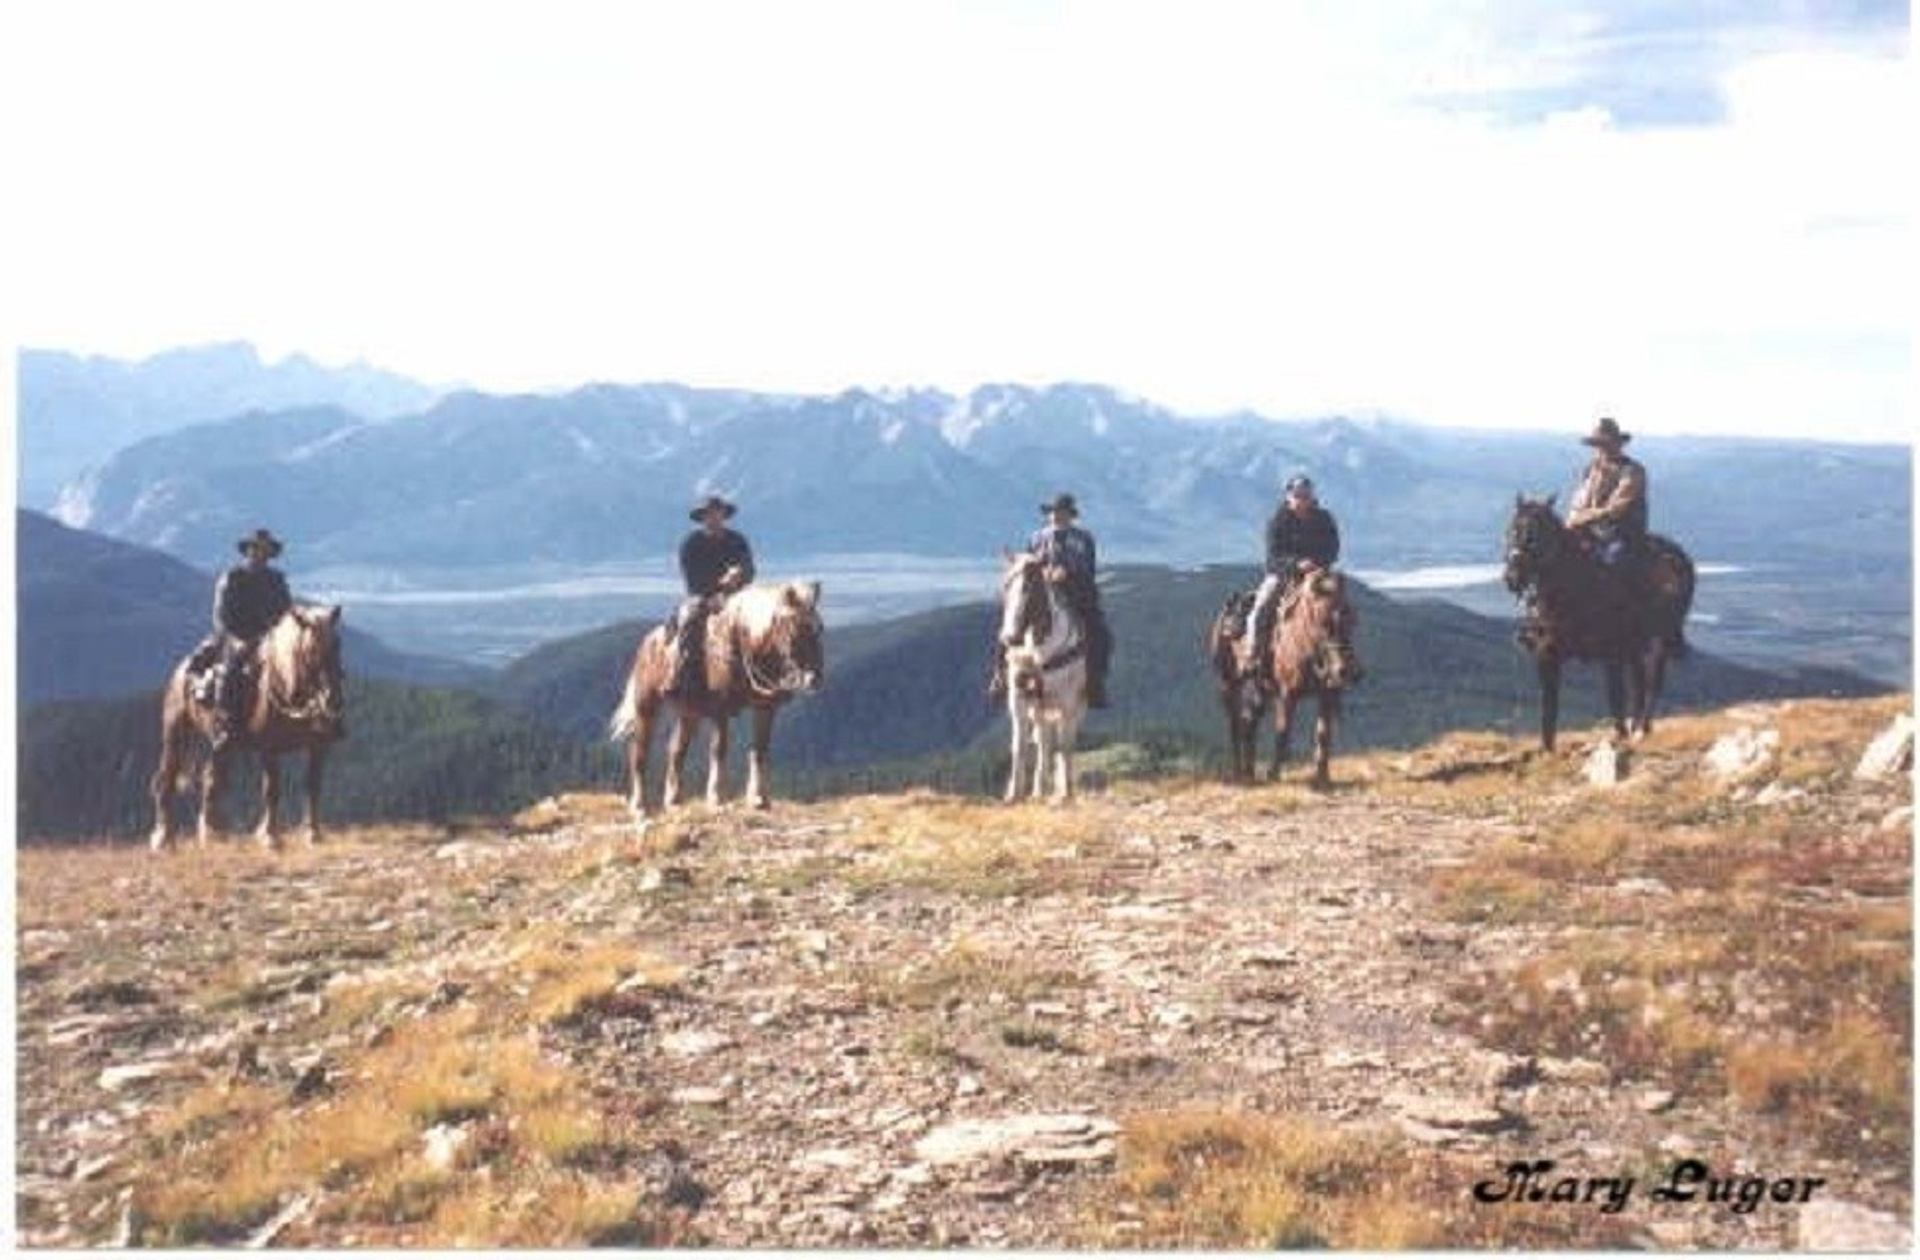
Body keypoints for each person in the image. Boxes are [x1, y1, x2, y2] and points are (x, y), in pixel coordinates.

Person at [202, 527, 294, 748]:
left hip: (270, 639)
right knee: (231, 669)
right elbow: (221, 616)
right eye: (257, 549)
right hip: (236, 636)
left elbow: (286, 611)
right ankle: (225, 723)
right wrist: (235, 638)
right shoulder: (232, 578)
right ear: (248, 551)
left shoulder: (277, 580)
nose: (261, 554)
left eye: (265, 550)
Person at [1248, 474, 1340, 687]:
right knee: (1260, 609)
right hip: (1283, 575)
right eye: (1297, 495)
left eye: (1306, 495)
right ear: (1288, 496)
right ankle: (1253, 654)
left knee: (1340, 608)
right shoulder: (1278, 521)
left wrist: (1318, 563)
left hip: (1317, 574)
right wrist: (1296, 564)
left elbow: (1333, 547)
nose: (1302, 499)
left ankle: (1344, 657)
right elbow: (1272, 557)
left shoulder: (1324, 519)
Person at [1025, 492, 1112, 707]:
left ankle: (1094, 683)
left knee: (1100, 634)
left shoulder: (1083, 538)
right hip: (1042, 592)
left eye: (1060, 512)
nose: (1055, 515)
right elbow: (1028, 564)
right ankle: (1002, 675)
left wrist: (1068, 572)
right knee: (1011, 626)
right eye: (1053, 511)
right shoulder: (1036, 538)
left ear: (1070, 515)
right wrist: (1042, 573)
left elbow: (1088, 568)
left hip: (1075, 593)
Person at [666, 494, 755, 698]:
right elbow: (692, 578)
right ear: (702, 518)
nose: (714, 518)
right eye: (709, 515)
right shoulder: (691, 543)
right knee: (691, 622)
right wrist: (717, 590)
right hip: (702, 596)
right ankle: (680, 674)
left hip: (735, 596)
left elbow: (749, 568)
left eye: (718, 514)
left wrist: (740, 576)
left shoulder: (737, 540)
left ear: (724, 516)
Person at [1564, 416, 1648, 572]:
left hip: (1621, 533)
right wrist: (1573, 519)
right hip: (1590, 531)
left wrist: (1583, 517)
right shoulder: (1591, 470)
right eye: (1598, 445)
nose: (1601, 449)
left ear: (1618, 444)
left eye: (1605, 444)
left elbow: (1615, 509)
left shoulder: (1632, 471)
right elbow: (1579, 502)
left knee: (1612, 562)